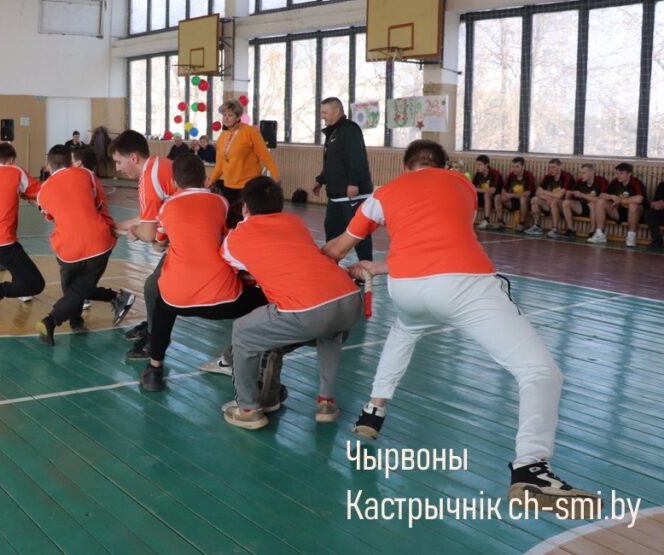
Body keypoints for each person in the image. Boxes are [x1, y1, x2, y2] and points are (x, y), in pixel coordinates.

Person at [323, 139, 597, 515]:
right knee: (539, 372)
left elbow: (338, 249)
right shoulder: (463, 185)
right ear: (444, 165)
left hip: (406, 289)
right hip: (465, 286)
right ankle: (531, 469)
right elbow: (445, 238)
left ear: (405, 167)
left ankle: (373, 410)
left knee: (405, 330)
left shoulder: (383, 194)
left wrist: (359, 264)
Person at [219, 176, 363, 430]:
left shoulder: (237, 237)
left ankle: (248, 409)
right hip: (349, 300)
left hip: (307, 310)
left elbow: (236, 269)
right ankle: (326, 402)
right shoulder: (295, 222)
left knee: (242, 332)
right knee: (330, 332)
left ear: (245, 207)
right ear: (280, 204)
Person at [139, 153, 268, 392]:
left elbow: (159, 240)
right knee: (264, 302)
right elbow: (224, 234)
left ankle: (154, 369)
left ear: (174, 182)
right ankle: (253, 365)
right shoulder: (221, 202)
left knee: (162, 305)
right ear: (205, 179)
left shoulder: (167, 207)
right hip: (224, 300)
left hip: (178, 300)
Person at [34, 145, 134, 344]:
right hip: (98, 242)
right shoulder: (87, 175)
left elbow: (48, 216)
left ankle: (52, 321)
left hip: (68, 249)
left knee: (74, 288)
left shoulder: (42, 190)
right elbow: (99, 204)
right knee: (77, 288)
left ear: (48, 166)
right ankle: (112, 300)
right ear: (70, 162)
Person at [109, 129, 178, 348]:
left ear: (133, 158)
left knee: (153, 288)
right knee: (155, 286)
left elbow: (147, 233)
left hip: (190, 241)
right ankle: (153, 327)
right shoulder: (159, 165)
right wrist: (118, 227)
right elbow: (150, 217)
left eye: (119, 162)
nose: (117, 168)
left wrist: (135, 232)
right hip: (189, 231)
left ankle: (155, 339)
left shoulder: (148, 179)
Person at [0, 142, 46, 316]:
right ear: (12, 160)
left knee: (17, 260)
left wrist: (23, 194)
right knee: (37, 284)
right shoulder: (15, 171)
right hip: (2, 243)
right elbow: (41, 193)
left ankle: (20, 289)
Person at [71, 143, 137, 314]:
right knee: (78, 280)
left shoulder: (86, 180)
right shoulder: (85, 179)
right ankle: (110, 298)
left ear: (78, 163)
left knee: (77, 284)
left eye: (71, 161)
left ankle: (118, 298)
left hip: (100, 238)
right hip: (95, 237)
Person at [313, 97, 373, 262]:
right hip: (336, 194)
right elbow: (333, 163)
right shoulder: (333, 132)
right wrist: (320, 180)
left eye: (325, 113)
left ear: (337, 111)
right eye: (322, 113)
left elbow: (357, 158)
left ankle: (365, 266)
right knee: (332, 229)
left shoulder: (349, 130)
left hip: (352, 194)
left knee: (358, 233)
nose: (323, 116)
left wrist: (354, 182)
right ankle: (331, 266)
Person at [208, 99, 280, 205]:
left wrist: (275, 175)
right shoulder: (222, 136)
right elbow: (220, 164)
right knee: (230, 214)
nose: (226, 118)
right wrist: (211, 181)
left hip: (249, 185)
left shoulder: (250, 132)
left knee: (248, 214)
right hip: (229, 185)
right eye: (224, 115)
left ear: (238, 117)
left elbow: (265, 156)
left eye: (230, 115)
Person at [589, 162, 646, 247]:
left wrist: (621, 200)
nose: (618, 175)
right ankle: (600, 234)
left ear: (629, 174)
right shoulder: (615, 182)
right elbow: (601, 195)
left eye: (621, 173)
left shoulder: (635, 182)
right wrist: (611, 196)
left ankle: (631, 237)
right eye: (617, 173)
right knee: (600, 202)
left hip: (636, 213)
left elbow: (639, 199)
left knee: (633, 205)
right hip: (618, 211)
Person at [525, 159, 574, 238]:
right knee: (534, 199)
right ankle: (536, 226)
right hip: (550, 203)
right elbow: (537, 192)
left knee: (555, 201)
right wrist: (546, 197)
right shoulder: (548, 177)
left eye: (553, 167)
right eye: (549, 167)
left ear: (560, 166)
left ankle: (555, 229)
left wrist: (545, 192)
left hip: (563, 206)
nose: (551, 170)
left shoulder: (567, 177)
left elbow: (560, 195)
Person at [561, 164, 608, 238]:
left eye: (584, 173)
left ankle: (592, 231)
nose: (581, 175)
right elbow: (571, 195)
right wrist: (568, 194)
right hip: (582, 207)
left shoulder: (601, 181)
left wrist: (582, 195)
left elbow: (601, 200)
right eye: (580, 173)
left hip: (597, 210)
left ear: (592, 172)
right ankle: (571, 230)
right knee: (566, 203)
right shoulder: (580, 181)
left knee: (592, 204)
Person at [494, 157, 535, 231]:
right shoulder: (511, 175)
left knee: (523, 199)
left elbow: (528, 193)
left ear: (523, 167)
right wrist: (504, 194)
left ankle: (521, 224)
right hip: (512, 202)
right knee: (498, 197)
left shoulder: (528, 176)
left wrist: (511, 195)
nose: (514, 169)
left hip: (526, 204)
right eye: (513, 166)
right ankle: (500, 221)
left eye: (517, 166)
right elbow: (503, 189)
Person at [472, 155, 503, 229]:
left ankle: (487, 220)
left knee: (487, 194)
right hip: (483, 197)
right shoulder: (478, 174)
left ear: (486, 165)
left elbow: (493, 190)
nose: (477, 167)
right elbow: (472, 187)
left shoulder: (494, 173)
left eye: (480, 165)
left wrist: (477, 189)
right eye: (477, 164)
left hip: (496, 197)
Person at [646, 180, 664, 249]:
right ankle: (658, 241)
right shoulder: (662, 185)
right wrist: (654, 205)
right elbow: (654, 201)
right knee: (650, 213)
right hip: (661, 212)